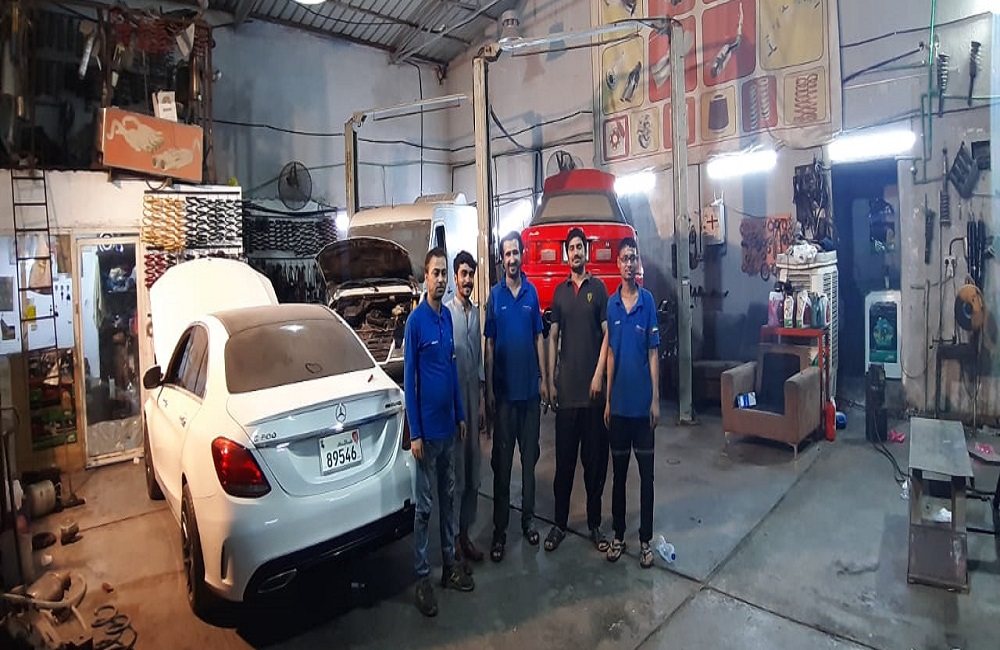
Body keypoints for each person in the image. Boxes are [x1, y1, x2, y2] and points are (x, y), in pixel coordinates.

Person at [404, 247, 474, 618]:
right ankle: (421, 578)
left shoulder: (447, 317)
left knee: (449, 499)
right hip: (426, 435)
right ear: (425, 278)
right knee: (424, 508)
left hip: (448, 428)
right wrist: (415, 432)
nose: (442, 279)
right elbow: (409, 380)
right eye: (436, 273)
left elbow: (451, 369)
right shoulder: (415, 323)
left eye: (445, 273)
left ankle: (449, 566)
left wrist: (460, 413)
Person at [544, 227, 611, 554]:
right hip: (567, 395)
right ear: (566, 254)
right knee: (565, 466)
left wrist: (599, 375)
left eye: (579, 247)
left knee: (595, 465)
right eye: (571, 248)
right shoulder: (559, 293)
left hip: (594, 396)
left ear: (586, 251)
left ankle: (595, 524)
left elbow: (608, 335)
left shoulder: (598, 290)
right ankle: (559, 524)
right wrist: (550, 380)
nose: (575, 252)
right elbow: (553, 337)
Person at [484, 231, 549, 562]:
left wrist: (544, 380)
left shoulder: (531, 293)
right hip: (505, 397)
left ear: (522, 255)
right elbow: (489, 344)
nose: (511, 259)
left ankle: (528, 521)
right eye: (507, 254)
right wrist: (488, 391)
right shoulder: (494, 297)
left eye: (515, 253)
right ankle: (500, 530)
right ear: (502, 258)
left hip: (529, 396)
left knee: (529, 462)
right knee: (502, 466)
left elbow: (539, 337)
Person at [603, 236, 660, 569]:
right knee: (620, 477)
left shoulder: (647, 301)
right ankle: (619, 536)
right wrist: (608, 400)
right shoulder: (612, 306)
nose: (628, 263)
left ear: (637, 264)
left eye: (633, 258)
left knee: (647, 478)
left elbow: (653, 353)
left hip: (642, 408)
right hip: (620, 407)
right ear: (618, 264)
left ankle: (645, 542)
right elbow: (611, 355)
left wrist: (655, 399)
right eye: (624, 258)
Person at [445, 250, 486, 563]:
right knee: (455, 475)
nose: (468, 279)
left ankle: (465, 535)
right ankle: (451, 542)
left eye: (471, 274)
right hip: (455, 404)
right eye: (463, 274)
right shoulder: (447, 314)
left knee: (473, 471)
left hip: (474, 400)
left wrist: (482, 400)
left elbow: (480, 359)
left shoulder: (476, 314)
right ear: (455, 277)